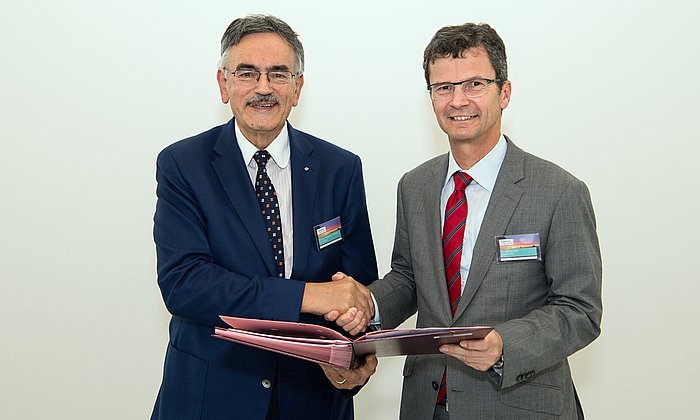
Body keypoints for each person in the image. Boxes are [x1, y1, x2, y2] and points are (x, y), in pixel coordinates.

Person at [324, 22, 602, 419]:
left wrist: (505, 343)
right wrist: (367, 304)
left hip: (519, 406)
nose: (458, 101)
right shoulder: (415, 186)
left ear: (504, 92)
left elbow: (581, 309)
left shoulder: (559, 192)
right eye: (444, 88)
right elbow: (409, 278)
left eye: (474, 84)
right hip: (427, 403)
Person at [151, 14, 378, 420]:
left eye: (278, 73)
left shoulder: (340, 168)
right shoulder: (183, 165)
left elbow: (357, 286)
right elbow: (185, 284)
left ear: (297, 87)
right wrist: (309, 295)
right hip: (212, 399)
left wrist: (354, 357)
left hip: (314, 400)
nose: (263, 88)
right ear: (224, 85)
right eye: (246, 73)